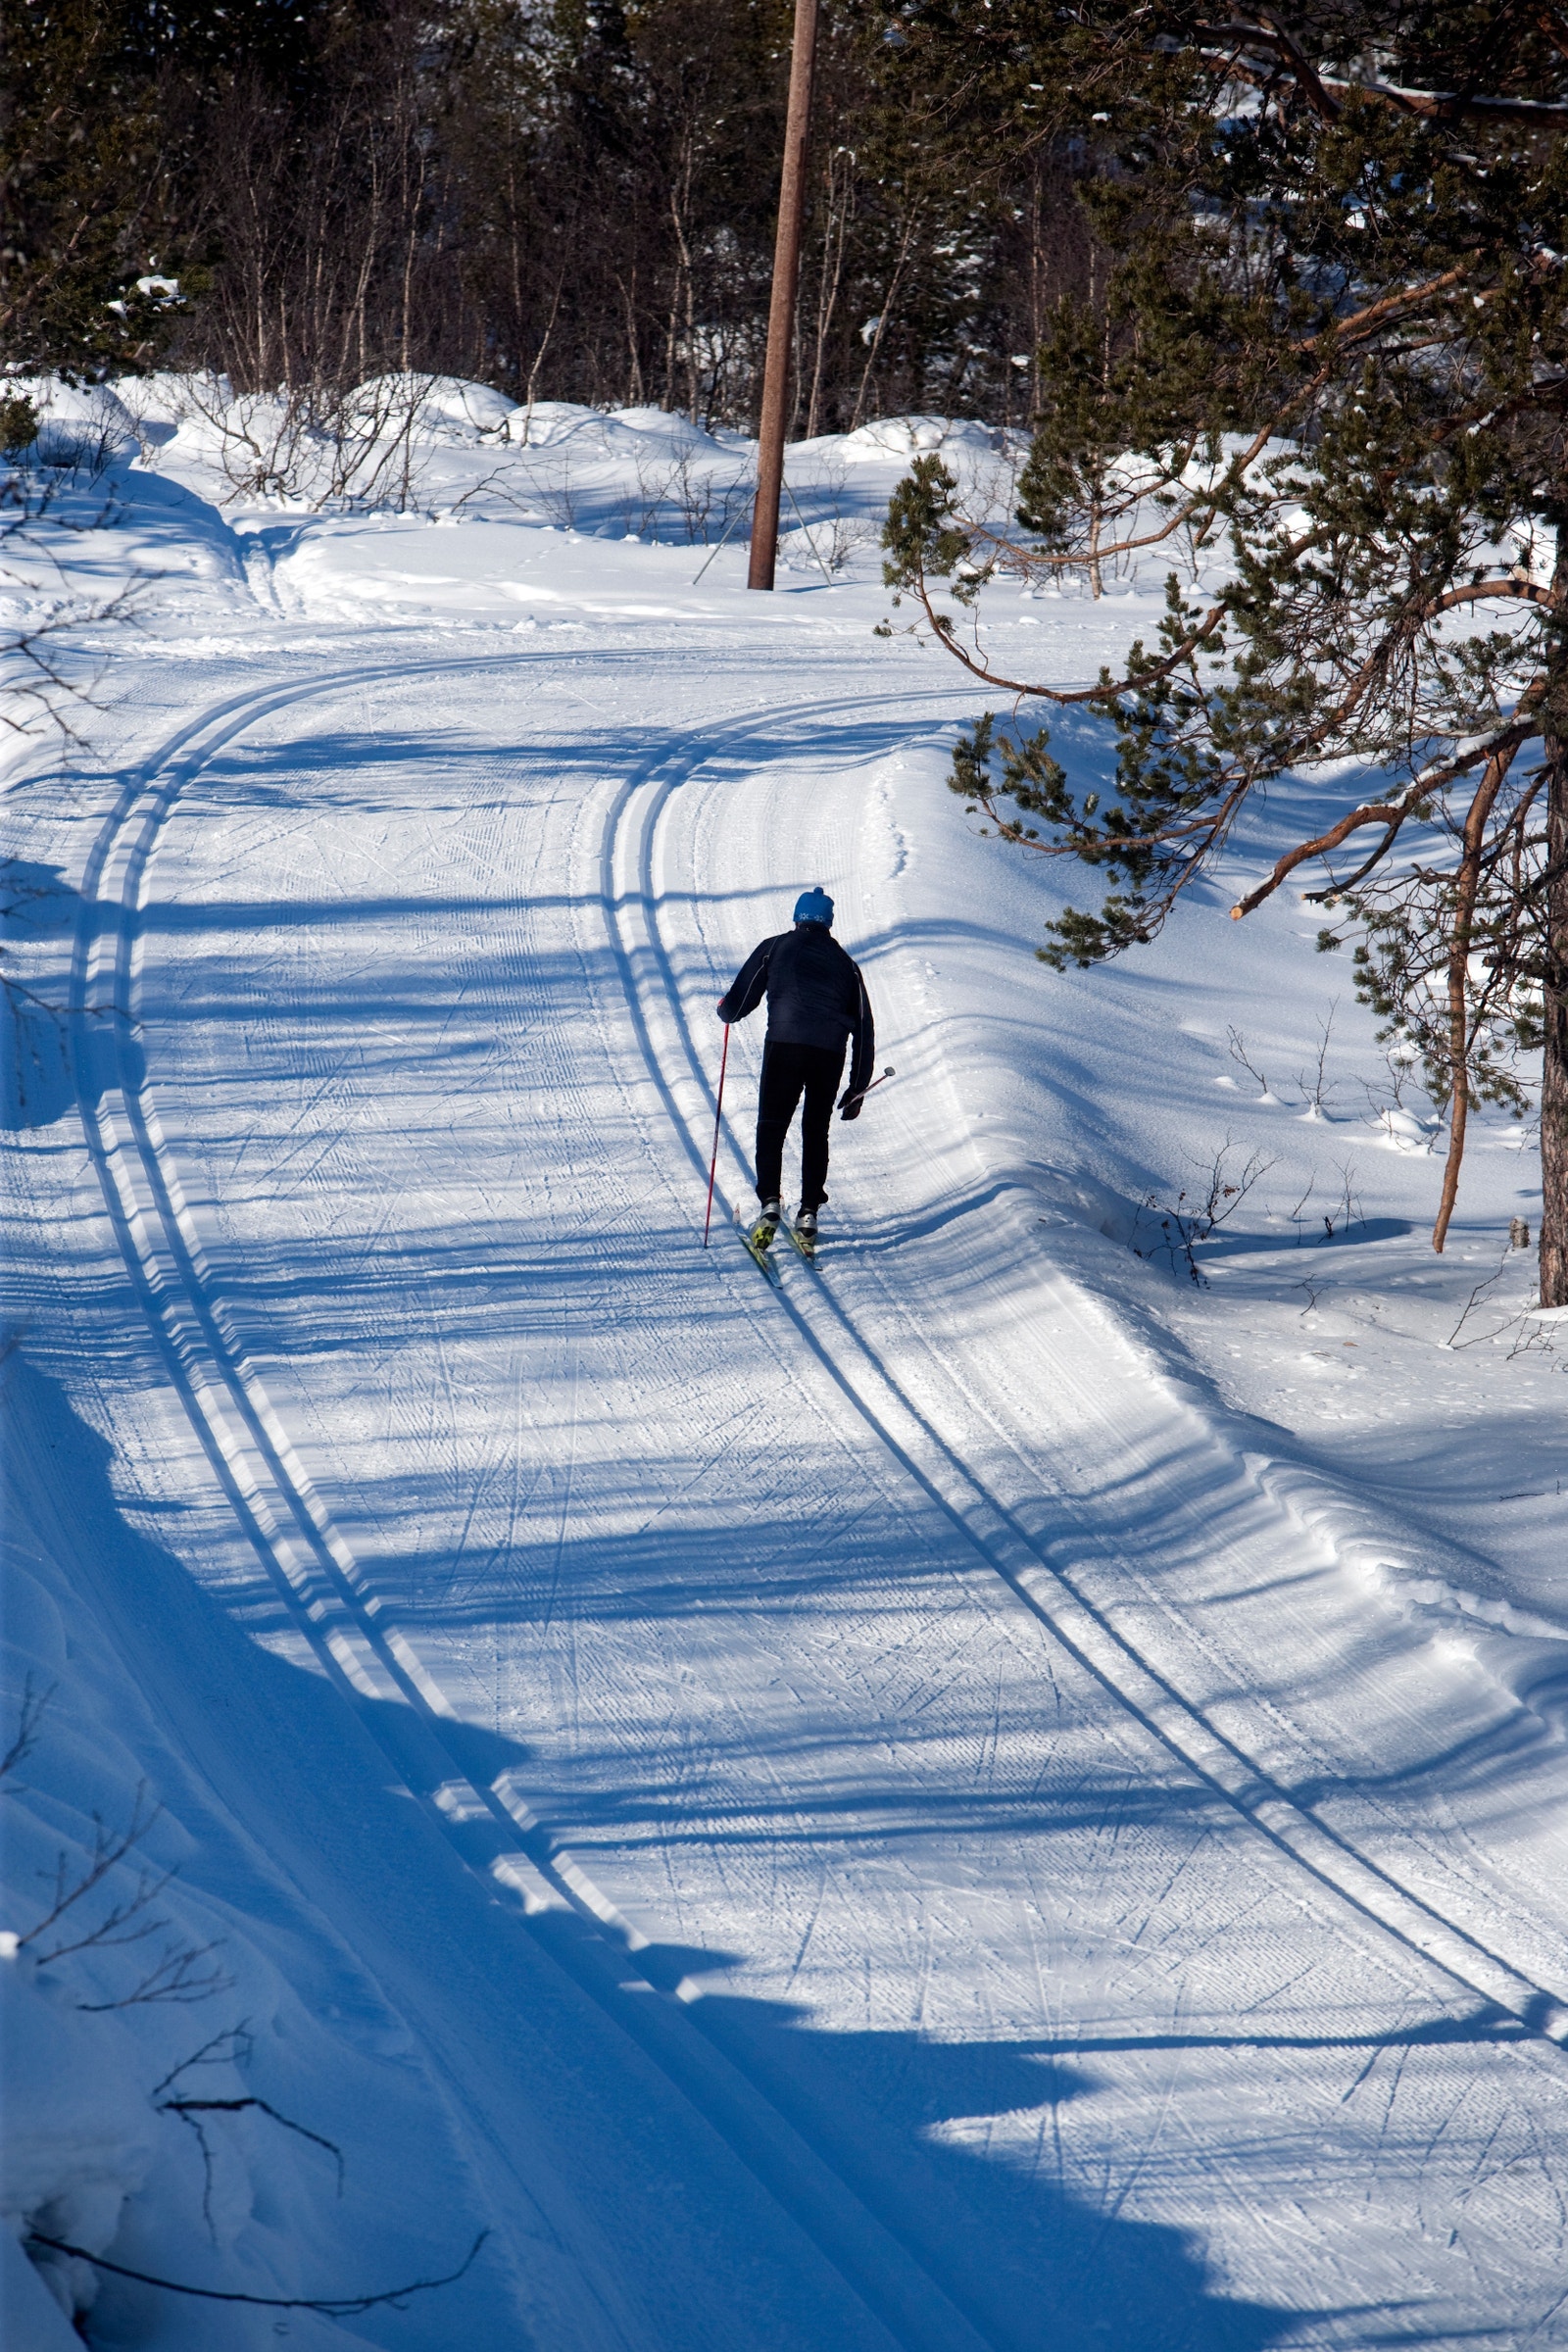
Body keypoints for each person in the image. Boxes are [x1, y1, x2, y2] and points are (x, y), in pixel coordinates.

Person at [715, 886, 875, 1249]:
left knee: (772, 1125)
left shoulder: (776, 947)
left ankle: (770, 1202)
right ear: (828, 922)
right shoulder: (847, 965)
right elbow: (864, 1029)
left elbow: (739, 1003)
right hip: (828, 1055)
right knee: (815, 1130)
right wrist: (857, 1088)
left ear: (798, 917)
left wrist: (725, 1010)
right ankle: (808, 1213)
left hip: (784, 1047)